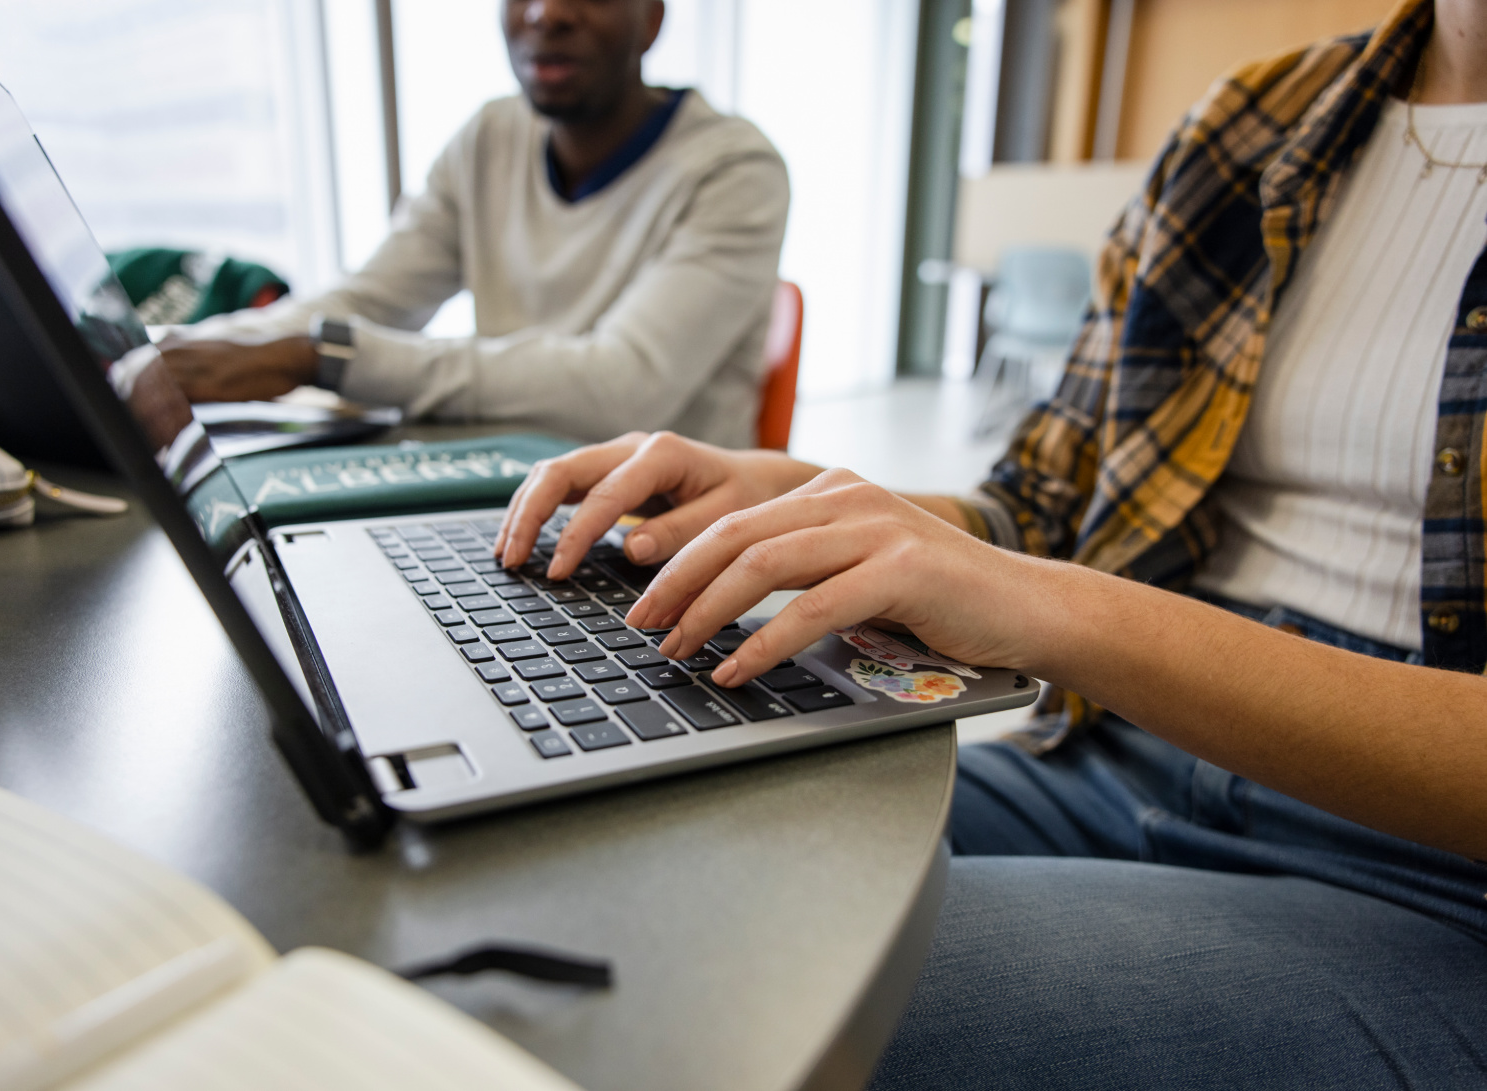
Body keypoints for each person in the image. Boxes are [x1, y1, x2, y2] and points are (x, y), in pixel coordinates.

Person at [491, 0, 1487, 1084]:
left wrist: (1060, 606)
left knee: (737, 994)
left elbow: (1051, 587)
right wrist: (817, 501)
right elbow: (1042, 500)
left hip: (1429, 877)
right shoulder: (1252, 121)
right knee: (611, 853)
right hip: (1118, 747)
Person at [157, 0, 788, 448]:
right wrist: (176, 353)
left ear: (650, 19)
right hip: (508, 488)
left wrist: (324, 356)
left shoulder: (735, 170)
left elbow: (618, 392)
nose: (547, 13)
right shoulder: (491, 136)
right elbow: (367, 300)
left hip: (663, 536)